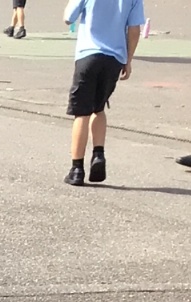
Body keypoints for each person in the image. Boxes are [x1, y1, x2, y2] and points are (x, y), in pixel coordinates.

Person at [61, 0, 145, 185]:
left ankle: (77, 169)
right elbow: (134, 29)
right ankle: (98, 153)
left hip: (88, 54)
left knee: (81, 113)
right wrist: (128, 60)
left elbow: (68, 18)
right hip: (114, 58)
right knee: (98, 108)